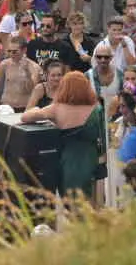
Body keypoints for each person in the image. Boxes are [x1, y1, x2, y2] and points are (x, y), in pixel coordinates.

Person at [20, 70, 105, 200]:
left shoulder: (56, 108)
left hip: (68, 158)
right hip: (91, 157)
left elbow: (25, 117)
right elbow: (103, 137)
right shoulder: (97, 108)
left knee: (70, 200)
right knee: (90, 197)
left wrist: (37, 110)